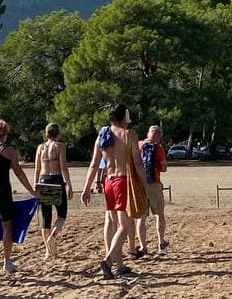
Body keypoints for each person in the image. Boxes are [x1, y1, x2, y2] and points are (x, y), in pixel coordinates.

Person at [81, 103, 146, 280]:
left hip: (108, 182)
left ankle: (120, 265)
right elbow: (138, 162)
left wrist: (86, 188)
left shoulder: (103, 135)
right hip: (123, 182)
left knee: (114, 224)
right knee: (125, 226)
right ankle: (109, 260)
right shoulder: (129, 134)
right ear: (124, 117)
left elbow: (94, 164)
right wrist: (144, 184)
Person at [0, 118, 38, 275]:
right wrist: (31, 190)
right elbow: (18, 172)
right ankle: (7, 262)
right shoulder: (9, 150)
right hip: (3, 192)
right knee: (7, 226)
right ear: (6, 134)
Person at [34, 122, 73, 258]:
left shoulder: (40, 147)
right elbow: (63, 168)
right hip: (56, 179)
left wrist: (36, 185)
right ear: (58, 133)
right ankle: (52, 236)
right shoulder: (60, 146)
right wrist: (69, 185)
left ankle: (48, 251)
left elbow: (37, 168)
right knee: (62, 214)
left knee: (46, 218)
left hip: (43, 179)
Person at [135, 125, 169, 256]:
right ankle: (161, 242)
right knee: (159, 214)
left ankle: (143, 247)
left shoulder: (138, 145)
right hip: (154, 184)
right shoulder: (159, 148)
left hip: (140, 185)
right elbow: (163, 168)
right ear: (158, 135)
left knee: (141, 218)